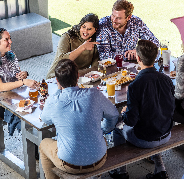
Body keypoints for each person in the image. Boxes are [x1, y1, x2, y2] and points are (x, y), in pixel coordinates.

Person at [40, 59, 119, 179]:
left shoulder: (54, 101)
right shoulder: (94, 94)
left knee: (43, 144)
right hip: (99, 160)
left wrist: (57, 91)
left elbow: (45, 119)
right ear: (78, 76)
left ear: (57, 81)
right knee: (100, 138)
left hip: (70, 164)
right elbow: (113, 115)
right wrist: (104, 129)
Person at [110, 40, 175, 179]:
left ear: (138, 58)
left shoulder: (135, 86)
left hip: (145, 139)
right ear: (156, 57)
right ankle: (160, 169)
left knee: (117, 127)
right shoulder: (167, 79)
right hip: (166, 133)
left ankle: (121, 172)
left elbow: (131, 121)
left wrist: (125, 113)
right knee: (153, 120)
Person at [0, 28, 38, 134]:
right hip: (2, 103)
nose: (10, 41)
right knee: (30, 118)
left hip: (18, 97)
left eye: (10, 38)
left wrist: (23, 74)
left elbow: (18, 78)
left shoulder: (11, 55)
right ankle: (34, 144)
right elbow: (1, 87)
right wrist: (24, 82)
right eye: (6, 39)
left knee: (37, 106)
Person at [46, 13, 100, 79]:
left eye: (89, 29)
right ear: (80, 26)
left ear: (95, 30)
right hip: (57, 76)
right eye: (83, 27)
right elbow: (61, 60)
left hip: (78, 78)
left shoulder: (95, 42)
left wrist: (77, 74)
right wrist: (83, 47)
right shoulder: (67, 37)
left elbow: (95, 67)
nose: (85, 31)